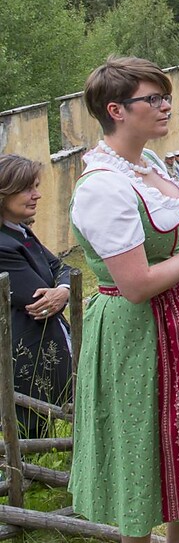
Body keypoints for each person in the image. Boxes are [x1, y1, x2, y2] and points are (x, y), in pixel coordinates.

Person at [69, 58, 179, 537]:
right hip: (136, 329)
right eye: (153, 99)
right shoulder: (104, 186)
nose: (166, 106)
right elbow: (137, 284)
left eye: (166, 97)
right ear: (116, 110)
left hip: (177, 319)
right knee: (140, 435)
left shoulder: (148, 163)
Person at [0, 155, 73, 437]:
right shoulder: (3, 245)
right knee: (30, 436)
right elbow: (38, 300)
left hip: (44, 351)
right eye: (27, 188)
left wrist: (62, 290)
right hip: (28, 359)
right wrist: (57, 291)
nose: (37, 195)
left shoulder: (20, 232)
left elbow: (63, 267)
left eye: (36, 186)